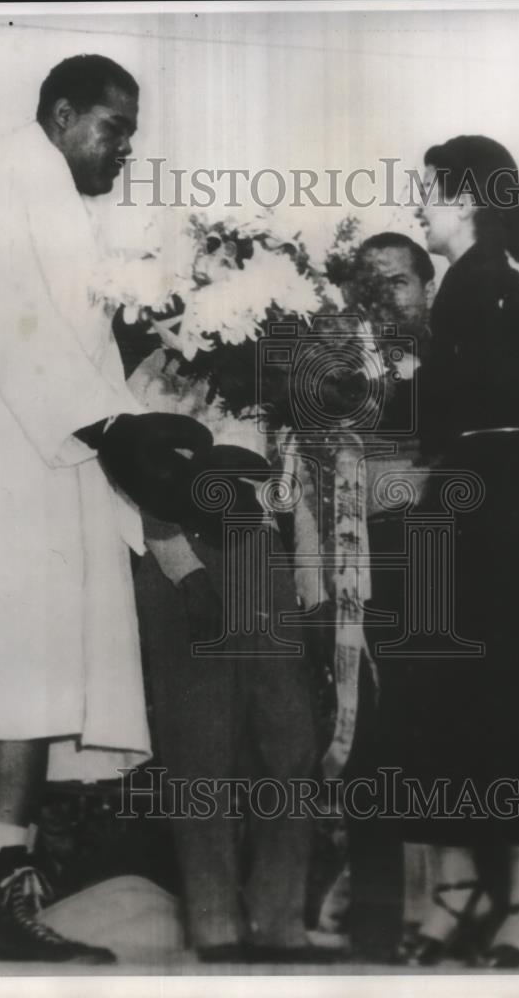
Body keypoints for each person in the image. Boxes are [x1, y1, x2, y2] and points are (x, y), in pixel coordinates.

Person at [0, 55, 220, 963]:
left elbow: (71, 344)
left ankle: (1, 888)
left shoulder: (47, 189)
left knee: (42, 671)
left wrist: (133, 424)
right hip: (10, 450)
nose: (123, 148)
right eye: (112, 127)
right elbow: (16, 328)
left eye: (130, 132)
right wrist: (114, 428)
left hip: (47, 452)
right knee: (16, 673)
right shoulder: (2, 178)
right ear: (61, 114)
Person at [383, 135, 519, 968]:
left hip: (502, 521)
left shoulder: (489, 291)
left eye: (426, 192)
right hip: (476, 512)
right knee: (453, 701)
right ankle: (461, 889)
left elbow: (451, 423)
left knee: (512, 705)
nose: (417, 206)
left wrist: (386, 380)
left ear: (462, 200)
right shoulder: (475, 289)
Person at [128, 346, 326, 964]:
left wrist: (314, 593)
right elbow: (134, 478)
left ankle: (281, 921)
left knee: (289, 741)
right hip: (183, 564)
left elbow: (299, 488)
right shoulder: (156, 370)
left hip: (263, 560)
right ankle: (215, 924)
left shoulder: (274, 370)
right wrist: (184, 571)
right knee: (200, 745)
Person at [316, 234, 437, 959]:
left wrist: (398, 482)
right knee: (363, 738)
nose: (386, 297)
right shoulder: (340, 368)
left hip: (439, 568)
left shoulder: (453, 363)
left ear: (426, 285)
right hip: (358, 572)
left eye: (398, 282)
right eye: (370, 285)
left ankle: (436, 911)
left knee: (430, 739)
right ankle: (373, 919)